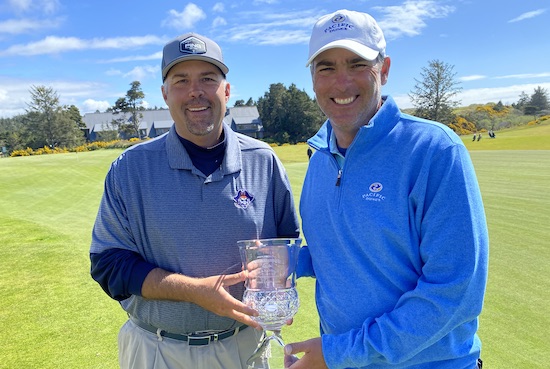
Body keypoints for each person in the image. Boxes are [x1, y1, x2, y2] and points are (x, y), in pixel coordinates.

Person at [285, 9, 488, 369]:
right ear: (312, 78)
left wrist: (338, 353)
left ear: (385, 69)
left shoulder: (434, 150)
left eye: (357, 63)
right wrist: (287, 262)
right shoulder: (320, 158)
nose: (341, 83)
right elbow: (343, 251)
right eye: (326, 67)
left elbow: (454, 290)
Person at [89, 32, 300, 369]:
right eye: (181, 80)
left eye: (207, 78)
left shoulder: (264, 161)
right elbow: (108, 265)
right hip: (156, 349)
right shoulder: (130, 168)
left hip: (244, 348)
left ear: (226, 91)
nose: (195, 91)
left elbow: (287, 243)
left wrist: (279, 275)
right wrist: (192, 290)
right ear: (164, 94)